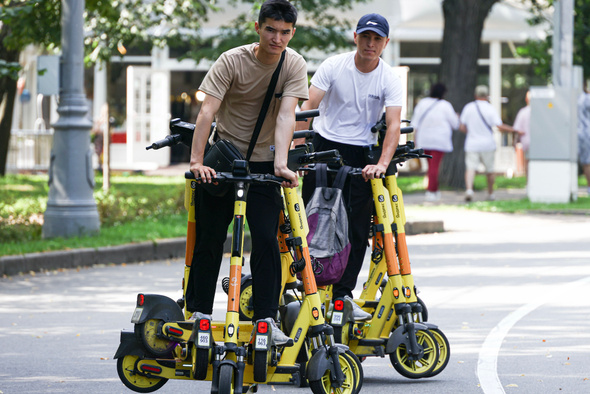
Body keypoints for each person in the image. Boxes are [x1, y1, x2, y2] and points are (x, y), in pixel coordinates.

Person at [186, 0, 308, 344]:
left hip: (263, 165)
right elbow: (207, 110)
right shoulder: (231, 60)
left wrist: (281, 163)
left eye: (285, 32)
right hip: (223, 160)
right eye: (270, 29)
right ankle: (199, 312)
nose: (277, 38)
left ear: (292, 33)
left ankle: (266, 320)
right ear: (258, 28)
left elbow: (287, 115)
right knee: (210, 237)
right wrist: (198, 162)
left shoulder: (293, 64)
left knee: (267, 242)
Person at [295, 13, 403, 320]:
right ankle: (309, 290)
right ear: (355, 37)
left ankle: (342, 295)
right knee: (311, 223)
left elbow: (393, 125)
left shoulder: (389, 78)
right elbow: (308, 109)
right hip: (325, 144)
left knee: (356, 230)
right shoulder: (333, 65)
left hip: (361, 155)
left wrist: (382, 164)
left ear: (385, 43)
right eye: (366, 37)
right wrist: (298, 155)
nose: (371, 44)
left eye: (377, 39)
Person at [459, 85, 515, 202]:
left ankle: (469, 190)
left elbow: (462, 126)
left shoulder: (468, 107)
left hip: (472, 143)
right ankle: (490, 193)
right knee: (489, 170)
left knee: (470, 168)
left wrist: (471, 133)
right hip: (487, 144)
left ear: (475, 95)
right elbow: (499, 125)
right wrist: (514, 130)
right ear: (486, 96)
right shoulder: (490, 109)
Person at [412, 83, 459, 201]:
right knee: (434, 166)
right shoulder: (445, 105)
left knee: (431, 166)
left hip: (424, 140)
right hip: (439, 141)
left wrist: (414, 140)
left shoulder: (422, 103)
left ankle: (434, 189)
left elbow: (415, 123)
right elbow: (455, 124)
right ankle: (431, 190)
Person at [512, 90, 530, 176]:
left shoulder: (523, 112)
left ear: (526, 99)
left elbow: (517, 129)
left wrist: (514, 141)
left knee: (527, 162)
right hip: (540, 142)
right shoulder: (542, 112)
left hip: (527, 142)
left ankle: (529, 182)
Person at [577, 88, 590, 194]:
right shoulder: (585, 99)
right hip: (586, 133)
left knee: (587, 162)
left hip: (582, 133)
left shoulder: (578, 99)